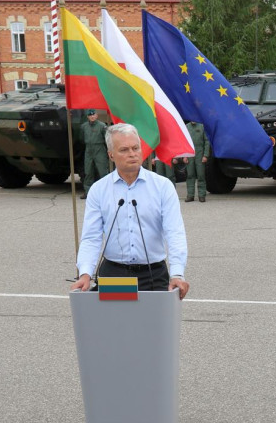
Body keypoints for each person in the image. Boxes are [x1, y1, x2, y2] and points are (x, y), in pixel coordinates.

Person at [72, 123, 189, 298]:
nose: (132, 154)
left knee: (152, 325)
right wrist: (85, 273)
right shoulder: (99, 190)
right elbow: (91, 237)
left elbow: (175, 232)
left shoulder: (162, 186)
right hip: (114, 274)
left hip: (153, 274)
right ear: (111, 154)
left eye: (136, 148)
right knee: (116, 325)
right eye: (124, 150)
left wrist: (177, 273)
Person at [81, 109, 109, 199]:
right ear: (87, 117)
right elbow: (80, 138)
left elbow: (107, 139)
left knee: (102, 171)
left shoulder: (102, 126)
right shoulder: (84, 126)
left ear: (97, 116)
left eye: (93, 115)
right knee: (88, 171)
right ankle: (88, 192)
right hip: (88, 149)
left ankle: (106, 193)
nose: (92, 116)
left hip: (99, 148)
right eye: (90, 115)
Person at [183, 120, 209, 203]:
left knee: (201, 175)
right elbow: (184, 142)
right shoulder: (186, 127)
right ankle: (190, 195)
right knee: (190, 175)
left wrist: (205, 155)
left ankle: (202, 195)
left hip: (200, 154)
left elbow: (207, 142)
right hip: (190, 154)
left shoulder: (202, 126)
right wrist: (184, 155)